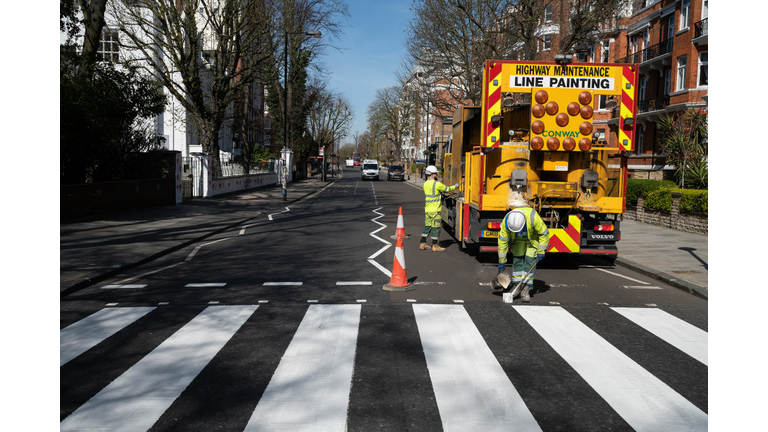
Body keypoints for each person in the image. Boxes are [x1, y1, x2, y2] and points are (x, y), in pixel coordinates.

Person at [497, 203, 550, 302]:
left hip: (532, 240)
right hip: (517, 241)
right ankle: (517, 286)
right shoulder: (507, 221)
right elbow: (502, 242)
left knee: (530, 262)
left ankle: (526, 288)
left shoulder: (533, 217)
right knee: (517, 261)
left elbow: (544, 233)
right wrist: (502, 261)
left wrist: (541, 250)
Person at [420, 165, 459, 252]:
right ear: (433, 175)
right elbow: (447, 189)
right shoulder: (437, 184)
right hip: (435, 210)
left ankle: (422, 243)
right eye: (436, 174)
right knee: (436, 227)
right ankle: (435, 245)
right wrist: (456, 186)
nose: (437, 175)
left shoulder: (425, 184)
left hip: (427, 210)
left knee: (427, 226)